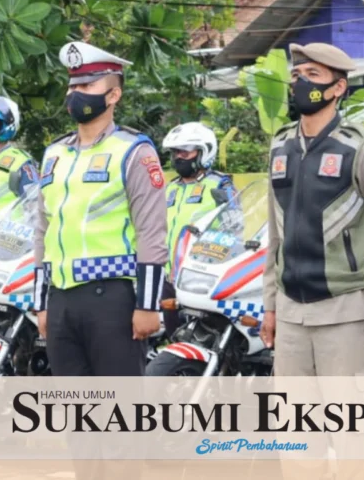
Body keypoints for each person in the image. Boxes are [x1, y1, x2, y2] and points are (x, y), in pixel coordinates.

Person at [259, 42, 364, 376]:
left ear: (338, 87)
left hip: (345, 308)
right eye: (297, 75)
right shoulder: (281, 146)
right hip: (290, 312)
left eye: (313, 75)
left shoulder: (361, 147)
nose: (301, 83)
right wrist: (270, 307)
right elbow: (275, 235)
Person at [30, 41, 167, 377]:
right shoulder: (55, 154)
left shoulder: (134, 151)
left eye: (88, 86)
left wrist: (148, 304)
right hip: (60, 299)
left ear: (113, 96)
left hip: (111, 299)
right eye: (73, 86)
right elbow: (42, 230)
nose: (77, 93)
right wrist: (41, 303)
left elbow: (152, 231)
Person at [159, 121, 236, 337]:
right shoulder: (170, 188)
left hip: (201, 276)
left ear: (204, 152)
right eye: (175, 152)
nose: (178, 157)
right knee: (174, 337)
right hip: (170, 277)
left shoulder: (220, 184)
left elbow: (235, 226)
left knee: (202, 336)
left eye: (185, 151)